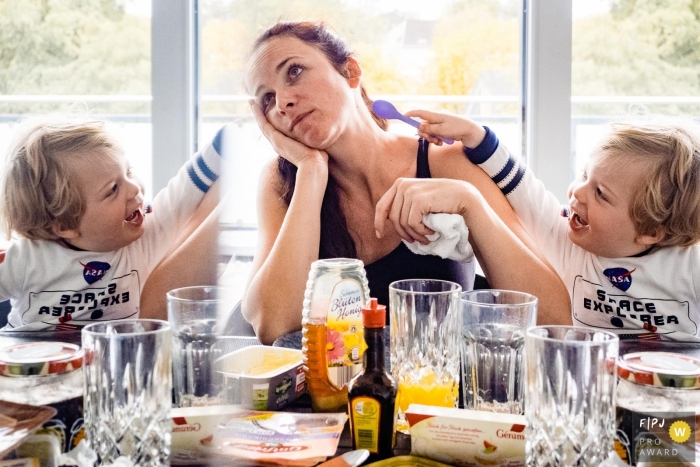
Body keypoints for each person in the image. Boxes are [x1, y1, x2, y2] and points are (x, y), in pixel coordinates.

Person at [241, 21, 570, 345]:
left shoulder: (445, 162)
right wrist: (311, 172)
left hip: (437, 394)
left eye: (295, 71)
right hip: (340, 397)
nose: (282, 101)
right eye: (267, 99)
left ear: (350, 72)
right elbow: (275, 327)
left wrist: (470, 202)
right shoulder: (283, 183)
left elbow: (554, 321)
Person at [407, 109, 700, 341]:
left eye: (600, 194)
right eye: (584, 176)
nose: (577, 192)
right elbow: (523, 187)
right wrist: (476, 135)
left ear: (651, 232)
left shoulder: (690, 264)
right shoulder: (566, 238)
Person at [0, 115, 222, 331]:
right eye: (113, 189)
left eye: (128, 172)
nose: (134, 188)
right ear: (65, 225)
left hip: (112, 360)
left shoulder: (145, 235)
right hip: (26, 361)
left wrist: (225, 142)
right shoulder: (25, 259)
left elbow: (184, 189)